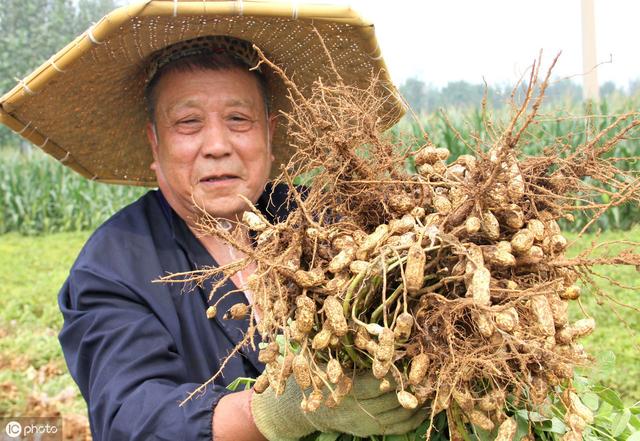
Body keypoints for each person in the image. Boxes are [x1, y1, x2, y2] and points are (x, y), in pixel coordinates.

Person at [0, 1, 422, 440]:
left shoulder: (328, 218)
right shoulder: (112, 267)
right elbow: (131, 416)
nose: (217, 145)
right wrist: (280, 411)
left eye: (238, 119)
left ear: (269, 135)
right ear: (154, 142)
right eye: (188, 122)